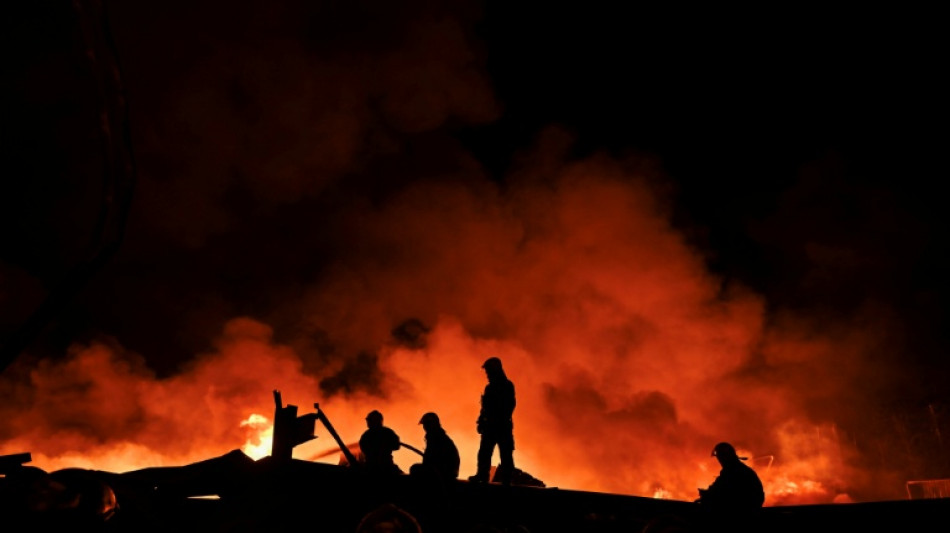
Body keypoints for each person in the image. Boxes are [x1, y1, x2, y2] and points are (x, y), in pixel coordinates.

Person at [468, 357, 516, 484]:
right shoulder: (490, 388)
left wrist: (495, 419)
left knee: (505, 454)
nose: (487, 375)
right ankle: (482, 475)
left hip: (502, 426)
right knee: (484, 453)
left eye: (488, 371)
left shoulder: (507, 386)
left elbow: (509, 406)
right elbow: (485, 407)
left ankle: (506, 479)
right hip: (491, 426)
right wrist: (481, 420)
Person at [696, 442, 765, 511]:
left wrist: (706, 495)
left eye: (720, 457)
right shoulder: (737, 468)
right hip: (751, 505)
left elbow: (721, 488)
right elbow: (719, 486)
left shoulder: (733, 470)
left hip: (744, 507)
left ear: (724, 457)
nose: (719, 461)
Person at [410, 412, 460, 484]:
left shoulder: (437, 438)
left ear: (432, 424)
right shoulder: (437, 437)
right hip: (444, 471)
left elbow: (436, 459)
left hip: (444, 472)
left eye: (426, 424)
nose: (424, 427)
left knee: (415, 469)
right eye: (424, 425)